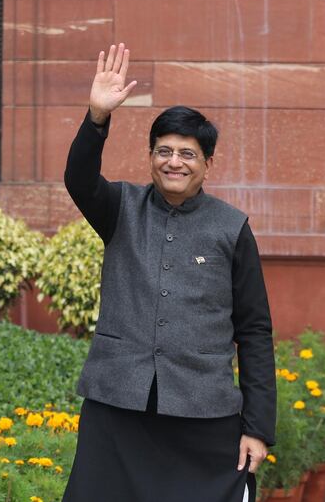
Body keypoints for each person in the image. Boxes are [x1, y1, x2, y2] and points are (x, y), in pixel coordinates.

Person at [61, 43, 276, 502]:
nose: (173, 161)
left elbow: (255, 331)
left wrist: (258, 429)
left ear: (207, 164)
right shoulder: (120, 207)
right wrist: (97, 117)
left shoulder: (231, 228)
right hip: (117, 406)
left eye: (187, 153)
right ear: (151, 157)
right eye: (164, 150)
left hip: (202, 414)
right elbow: (79, 179)